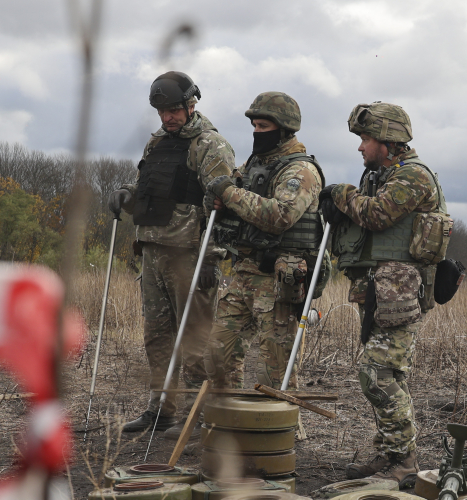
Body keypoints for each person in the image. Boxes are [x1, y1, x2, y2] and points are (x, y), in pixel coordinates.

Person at [320, 102, 450, 487]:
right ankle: (393, 453)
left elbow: (377, 215)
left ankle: (404, 462)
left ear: (388, 141)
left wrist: (341, 195)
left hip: (401, 292)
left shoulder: (413, 176)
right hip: (380, 290)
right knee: (387, 372)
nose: (360, 147)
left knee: (375, 373)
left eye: (366, 138)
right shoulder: (382, 176)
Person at [109, 71, 235, 438]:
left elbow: (224, 206)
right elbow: (149, 188)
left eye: (174, 111)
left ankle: (197, 412)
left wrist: (212, 257)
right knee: (157, 336)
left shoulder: (211, 145)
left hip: (190, 255)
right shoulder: (157, 143)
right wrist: (126, 194)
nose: (168, 118)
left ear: (191, 105)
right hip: (152, 250)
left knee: (194, 338)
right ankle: (162, 408)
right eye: (162, 112)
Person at [203, 91, 325, 392]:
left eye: (263, 127)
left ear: (284, 130)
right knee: (218, 354)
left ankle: (278, 421)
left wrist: (229, 193)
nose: (257, 132)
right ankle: (229, 414)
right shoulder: (254, 165)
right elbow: (233, 199)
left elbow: (281, 215)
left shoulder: (300, 171)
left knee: (276, 372)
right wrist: (216, 202)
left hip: (278, 280)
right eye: (254, 126)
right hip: (244, 273)